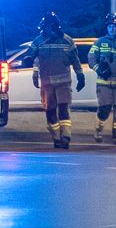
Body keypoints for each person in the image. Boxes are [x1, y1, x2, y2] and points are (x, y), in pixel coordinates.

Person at [26, 12, 85, 149]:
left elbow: (75, 59)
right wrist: (32, 68)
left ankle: (66, 136)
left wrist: (80, 75)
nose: (48, 29)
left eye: (50, 26)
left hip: (63, 82)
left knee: (64, 109)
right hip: (47, 83)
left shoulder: (67, 40)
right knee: (50, 111)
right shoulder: (38, 41)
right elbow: (32, 56)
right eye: (46, 26)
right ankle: (56, 138)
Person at [88, 13, 116, 145]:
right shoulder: (100, 42)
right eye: (110, 26)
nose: (112, 29)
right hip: (103, 83)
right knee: (104, 110)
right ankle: (98, 130)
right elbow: (91, 58)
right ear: (107, 27)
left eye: (114, 26)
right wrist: (99, 69)